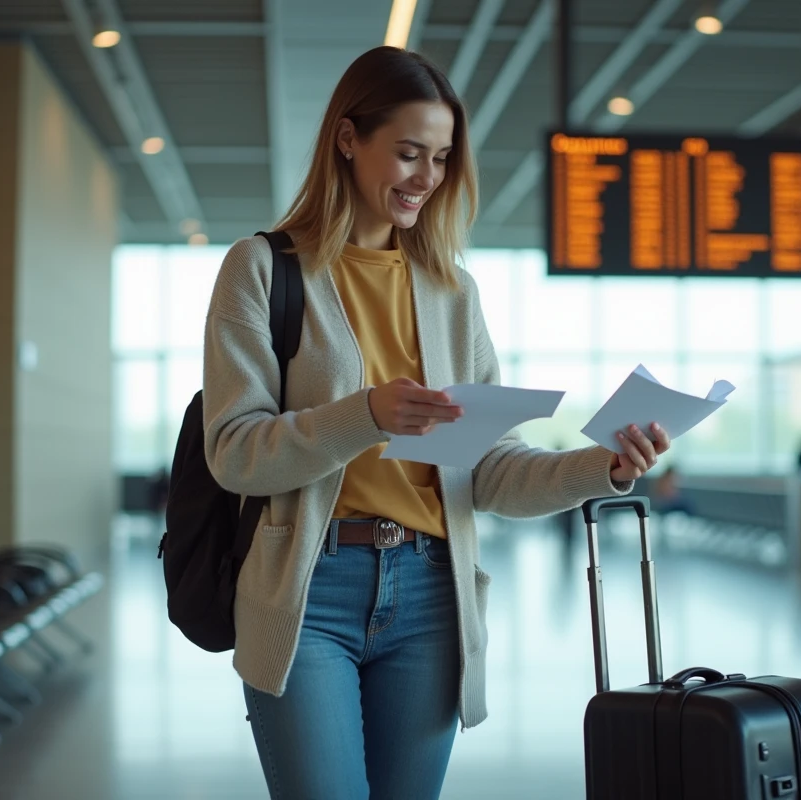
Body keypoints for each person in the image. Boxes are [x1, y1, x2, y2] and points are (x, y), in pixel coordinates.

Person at [202, 47, 673, 800]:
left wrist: (604, 467)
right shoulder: (262, 270)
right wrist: (367, 416)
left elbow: (488, 470)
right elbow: (234, 453)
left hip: (429, 596)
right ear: (349, 140)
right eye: (410, 153)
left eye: (443, 158)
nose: (427, 177)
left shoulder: (452, 291)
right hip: (307, 592)